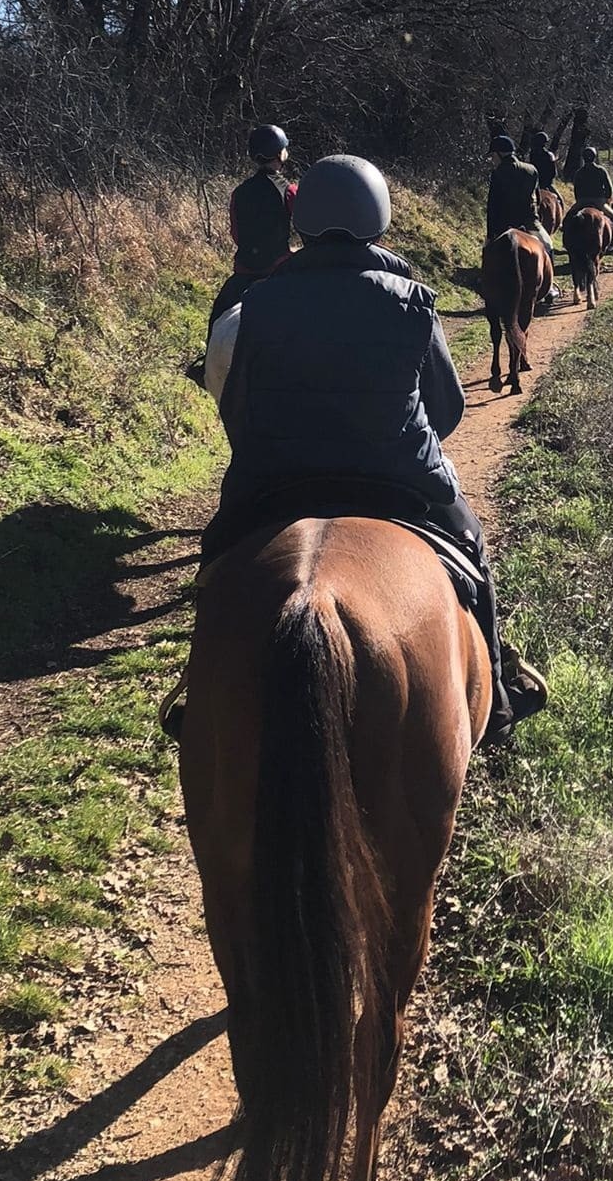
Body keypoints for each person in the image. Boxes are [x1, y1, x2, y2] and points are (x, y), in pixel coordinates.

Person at [185, 156, 546, 746]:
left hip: (273, 477)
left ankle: (192, 690)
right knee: (472, 552)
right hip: (399, 476)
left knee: (219, 554)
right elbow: (449, 410)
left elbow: (231, 400)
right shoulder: (412, 302)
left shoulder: (246, 310)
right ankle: (499, 695)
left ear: (298, 221)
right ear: (379, 218)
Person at [209, 123, 296, 330]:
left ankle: (206, 359)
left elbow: (237, 235)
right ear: (280, 154)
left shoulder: (239, 192)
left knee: (218, 317)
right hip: (279, 268)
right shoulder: (290, 191)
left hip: (244, 270)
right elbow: (307, 228)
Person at [487, 132, 556, 305]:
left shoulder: (497, 173)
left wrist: (490, 234)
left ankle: (485, 284)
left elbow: (492, 206)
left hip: (503, 226)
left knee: (488, 254)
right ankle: (550, 286)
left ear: (500, 154)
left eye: (492, 156)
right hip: (529, 223)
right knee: (548, 246)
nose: (492, 160)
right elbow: (538, 198)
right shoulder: (531, 170)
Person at [572, 144, 613, 217]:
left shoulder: (579, 172)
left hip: (583, 201)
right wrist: (606, 198)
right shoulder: (601, 170)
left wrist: (579, 200)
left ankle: (565, 227)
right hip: (599, 201)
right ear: (594, 157)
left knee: (568, 216)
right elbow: (609, 188)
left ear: (583, 158)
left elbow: (576, 189)